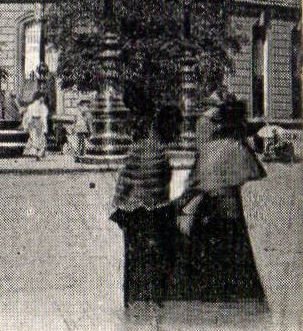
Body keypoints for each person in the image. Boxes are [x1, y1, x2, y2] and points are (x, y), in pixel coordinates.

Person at [173, 96, 267, 306]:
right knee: (237, 258)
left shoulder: (209, 149)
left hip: (209, 211)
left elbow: (195, 183)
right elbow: (255, 174)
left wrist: (179, 204)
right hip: (232, 210)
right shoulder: (239, 148)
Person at [111, 102, 181, 308]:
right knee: (155, 258)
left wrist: (120, 205)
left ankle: (133, 301)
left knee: (133, 260)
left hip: (129, 211)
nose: (177, 132)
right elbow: (159, 191)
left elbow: (123, 182)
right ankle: (152, 300)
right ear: (166, 127)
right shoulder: (159, 152)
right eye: (175, 127)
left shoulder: (139, 147)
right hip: (148, 212)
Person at [21, 94, 49, 160]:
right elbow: (28, 116)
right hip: (35, 122)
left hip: (36, 122)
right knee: (36, 138)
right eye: (41, 98)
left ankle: (38, 154)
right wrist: (26, 125)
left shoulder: (42, 107)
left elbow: (43, 117)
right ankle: (37, 154)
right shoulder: (37, 106)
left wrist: (27, 124)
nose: (42, 99)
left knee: (38, 138)